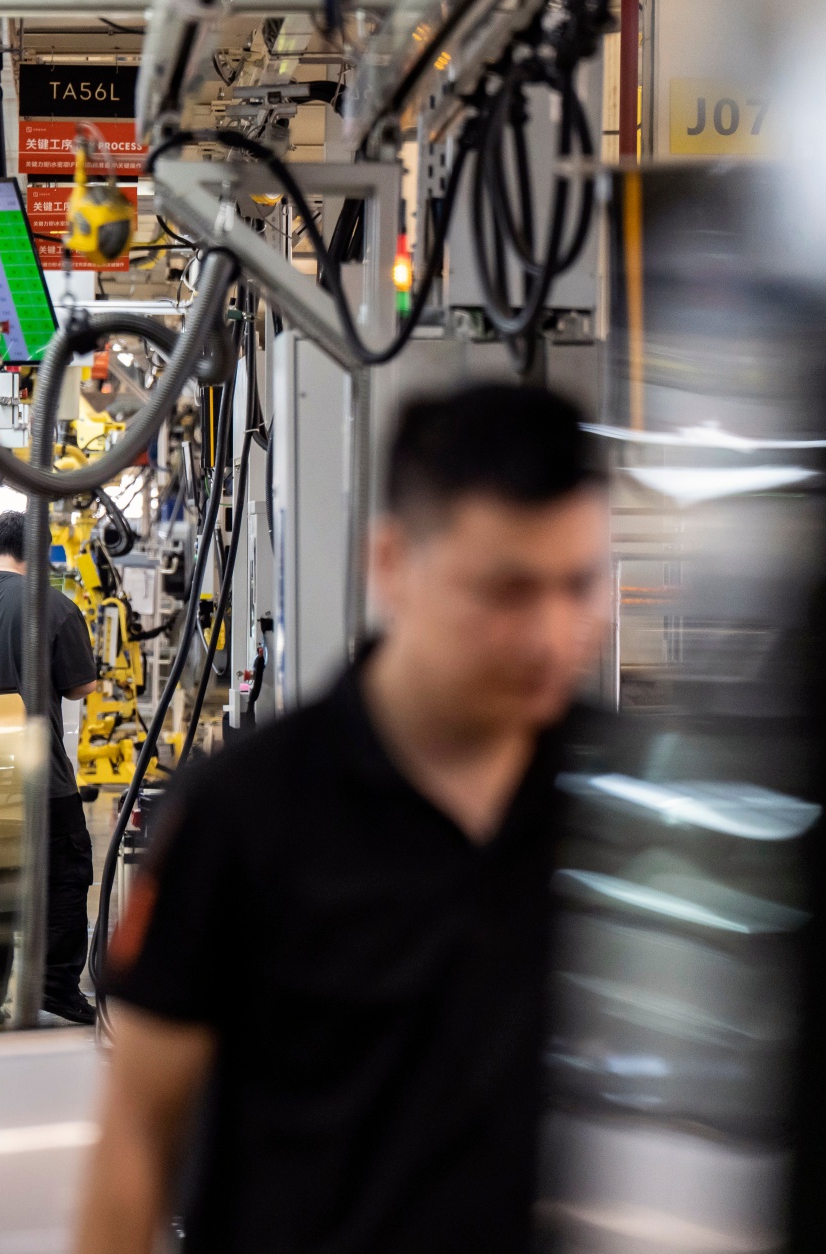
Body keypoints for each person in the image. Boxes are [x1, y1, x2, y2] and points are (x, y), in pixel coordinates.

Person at [74, 385, 610, 1254]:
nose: (550, 635)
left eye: (579, 586)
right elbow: (138, 1133)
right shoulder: (245, 813)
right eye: (506, 591)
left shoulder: (624, 797)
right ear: (393, 562)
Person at [0, 509, 98, 1025]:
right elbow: (80, 687)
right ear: (43, 555)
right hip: (39, 777)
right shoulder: (57, 607)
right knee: (65, 878)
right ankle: (53, 986)